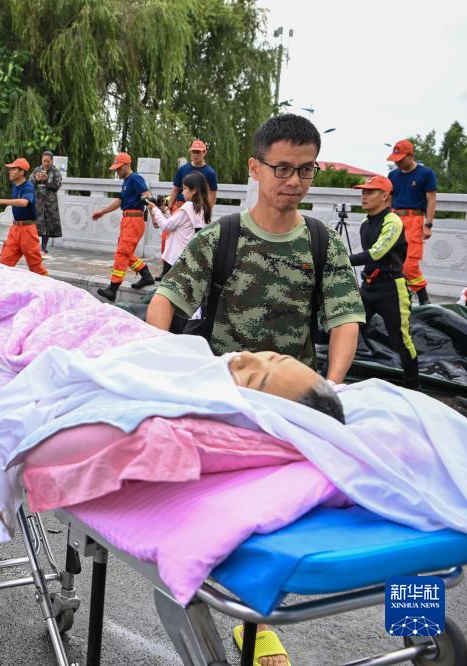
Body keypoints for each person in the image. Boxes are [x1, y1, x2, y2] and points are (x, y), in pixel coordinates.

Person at [146, 113, 365, 666]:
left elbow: (345, 319)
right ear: (255, 168)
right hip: (230, 400)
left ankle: (418, 630)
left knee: (377, 529)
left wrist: (332, 388)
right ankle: (252, 622)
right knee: (243, 520)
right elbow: (164, 302)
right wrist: (164, 369)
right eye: (282, 168)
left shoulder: (320, 242)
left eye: (306, 170)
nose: (294, 180)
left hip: (298, 405)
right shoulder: (223, 238)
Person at [348, 176, 419, 389]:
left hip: (391, 289)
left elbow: (377, 253)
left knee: (401, 340)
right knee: (349, 328)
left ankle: (414, 387)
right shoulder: (365, 224)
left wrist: (342, 260)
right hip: (368, 286)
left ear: (385, 196)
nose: (364, 196)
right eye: (363, 192)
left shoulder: (393, 221)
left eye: (370, 192)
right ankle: (333, 376)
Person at [91, 152, 155, 300]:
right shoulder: (126, 181)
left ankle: (113, 289)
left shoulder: (135, 178)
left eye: (120, 168)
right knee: (125, 252)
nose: (118, 171)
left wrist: (153, 213)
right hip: (127, 220)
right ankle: (146, 275)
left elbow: (146, 194)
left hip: (134, 220)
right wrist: (102, 212)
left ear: (127, 165)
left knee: (122, 253)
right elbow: (119, 201)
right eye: (116, 169)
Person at [386, 139, 436, 305]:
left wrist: (428, 225)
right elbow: (388, 199)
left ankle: (424, 300)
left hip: (414, 220)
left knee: (409, 266)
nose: (397, 163)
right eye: (395, 159)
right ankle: (401, 298)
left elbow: (431, 199)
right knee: (393, 263)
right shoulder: (393, 175)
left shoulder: (426, 174)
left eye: (400, 159)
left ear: (410, 155)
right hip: (394, 219)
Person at [165, 139, 218, 275]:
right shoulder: (183, 169)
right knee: (169, 237)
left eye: (199, 152)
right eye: (194, 152)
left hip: (196, 209)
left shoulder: (210, 172)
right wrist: (169, 207)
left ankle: (184, 269)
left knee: (189, 240)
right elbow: (175, 189)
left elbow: (211, 195)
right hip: (180, 206)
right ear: (190, 152)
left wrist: (207, 212)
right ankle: (167, 268)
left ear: (204, 152)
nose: (196, 154)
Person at [0, 157, 47, 276]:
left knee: (36, 267)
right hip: (15, 230)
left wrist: (1, 201)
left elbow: (24, 202)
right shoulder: (15, 187)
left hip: (28, 231)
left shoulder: (28, 187)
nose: (10, 171)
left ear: (21, 172)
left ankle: (49, 287)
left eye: (13, 169)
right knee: (3, 264)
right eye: (10, 169)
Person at [147, 170, 211, 275]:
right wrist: (164, 210)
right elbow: (175, 224)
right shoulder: (200, 207)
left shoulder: (188, 206)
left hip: (176, 257)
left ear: (194, 190)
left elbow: (166, 226)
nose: (182, 192)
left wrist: (154, 208)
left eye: (185, 189)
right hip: (187, 256)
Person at [30, 151, 63, 254]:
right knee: (35, 224)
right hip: (38, 202)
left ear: (52, 161)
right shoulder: (37, 170)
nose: (46, 163)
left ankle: (43, 247)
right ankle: (34, 245)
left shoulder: (55, 171)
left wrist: (46, 180)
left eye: (48, 161)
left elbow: (57, 185)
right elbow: (30, 183)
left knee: (47, 225)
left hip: (50, 203)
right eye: (44, 161)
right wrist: (36, 179)